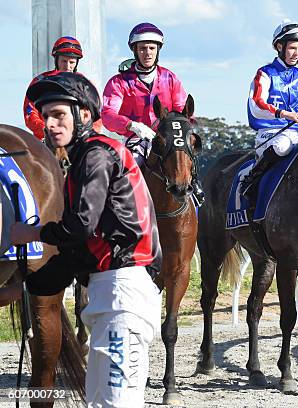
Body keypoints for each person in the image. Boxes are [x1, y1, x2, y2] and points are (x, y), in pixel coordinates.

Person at [12, 72, 162, 407]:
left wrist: (32, 233)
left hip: (124, 296)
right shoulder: (84, 157)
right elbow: (80, 251)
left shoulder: (97, 154)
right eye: (46, 116)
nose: (50, 124)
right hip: (106, 296)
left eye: (59, 114)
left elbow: (79, 226)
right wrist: (27, 283)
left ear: (83, 114)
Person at [101, 22, 204, 205]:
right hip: (136, 140)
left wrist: (186, 126)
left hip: (168, 137)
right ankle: (119, 208)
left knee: (186, 158)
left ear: (158, 50)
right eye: (142, 48)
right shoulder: (119, 82)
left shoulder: (169, 78)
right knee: (126, 170)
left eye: (151, 48)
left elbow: (181, 111)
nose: (147, 52)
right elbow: (108, 115)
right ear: (135, 51)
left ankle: (196, 192)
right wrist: (132, 125)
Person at [243, 19, 298, 197]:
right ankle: (252, 180)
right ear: (279, 47)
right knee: (283, 145)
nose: (296, 54)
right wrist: (285, 114)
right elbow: (256, 105)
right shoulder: (265, 73)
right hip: (270, 134)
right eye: (292, 48)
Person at [23, 36, 102, 141]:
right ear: (56, 60)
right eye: (64, 61)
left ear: (76, 62)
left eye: (72, 62)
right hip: (45, 140)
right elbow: (29, 112)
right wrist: (47, 130)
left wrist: (87, 135)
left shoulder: (84, 84)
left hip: (77, 140)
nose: (68, 66)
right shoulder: (40, 81)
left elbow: (96, 115)